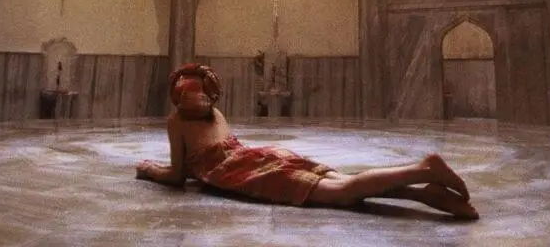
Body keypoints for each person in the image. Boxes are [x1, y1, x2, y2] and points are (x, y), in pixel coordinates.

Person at [135, 64, 479, 219]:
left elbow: (177, 176)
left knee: (342, 193)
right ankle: (424, 193)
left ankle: (423, 169)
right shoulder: (217, 113)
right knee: (344, 184)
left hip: (245, 172)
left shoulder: (177, 122)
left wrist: (151, 170)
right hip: (262, 156)